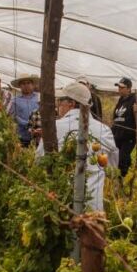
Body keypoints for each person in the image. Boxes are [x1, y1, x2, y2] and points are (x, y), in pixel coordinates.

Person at [36, 82, 118, 211]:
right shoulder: (104, 130)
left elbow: (39, 161)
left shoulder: (54, 128)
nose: (58, 107)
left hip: (61, 203)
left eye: (60, 103)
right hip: (93, 206)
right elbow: (112, 167)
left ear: (71, 103)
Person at [111, 77, 137, 178]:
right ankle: (125, 176)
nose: (119, 89)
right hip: (117, 135)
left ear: (129, 88)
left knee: (122, 160)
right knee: (117, 158)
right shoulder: (121, 100)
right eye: (119, 87)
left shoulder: (135, 98)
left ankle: (123, 180)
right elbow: (116, 117)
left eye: (122, 87)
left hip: (128, 137)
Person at [9, 74, 41, 147]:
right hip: (22, 136)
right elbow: (13, 116)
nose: (26, 85)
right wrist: (28, 124)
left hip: (39, 136)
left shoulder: (39, 97)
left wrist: (36, 127)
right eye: (23, 84)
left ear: (33, 85)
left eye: (28, 83)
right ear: (20, 86)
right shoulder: (15, 100)